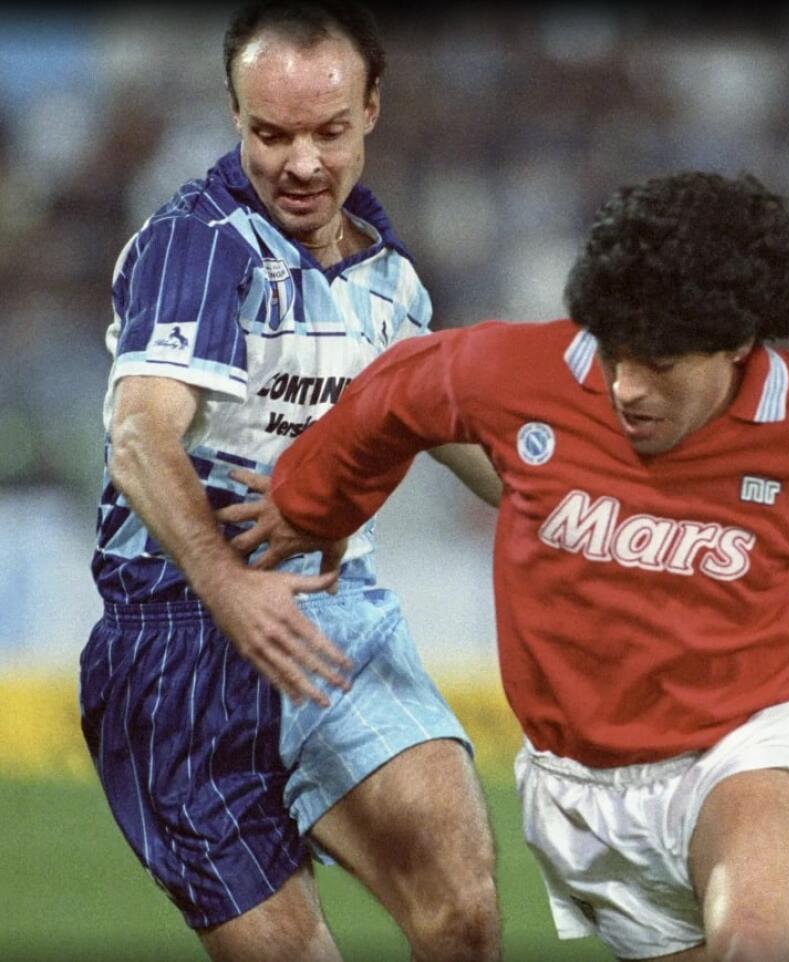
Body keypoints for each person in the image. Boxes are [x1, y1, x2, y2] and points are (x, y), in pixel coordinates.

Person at [228, 171, 789, 962]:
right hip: (579, 794)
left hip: (752, 745)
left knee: (758, 942)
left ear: (737, 344)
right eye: (615, 357)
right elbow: (395, 394)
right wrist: (310, 504)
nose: (627, 388)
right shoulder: (524, 373)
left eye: (662, 365)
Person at [78, 2, 503, 960]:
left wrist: (599, 505)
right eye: (271, 134)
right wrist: (229, 589)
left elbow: (469, 445)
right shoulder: (200, 244)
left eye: (328, 132)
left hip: (334, 617)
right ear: (234, 115)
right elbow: (139, 436)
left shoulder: (393, 280)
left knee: (464, 916)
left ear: (372, 110)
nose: (301, 163)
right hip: (177, 645)